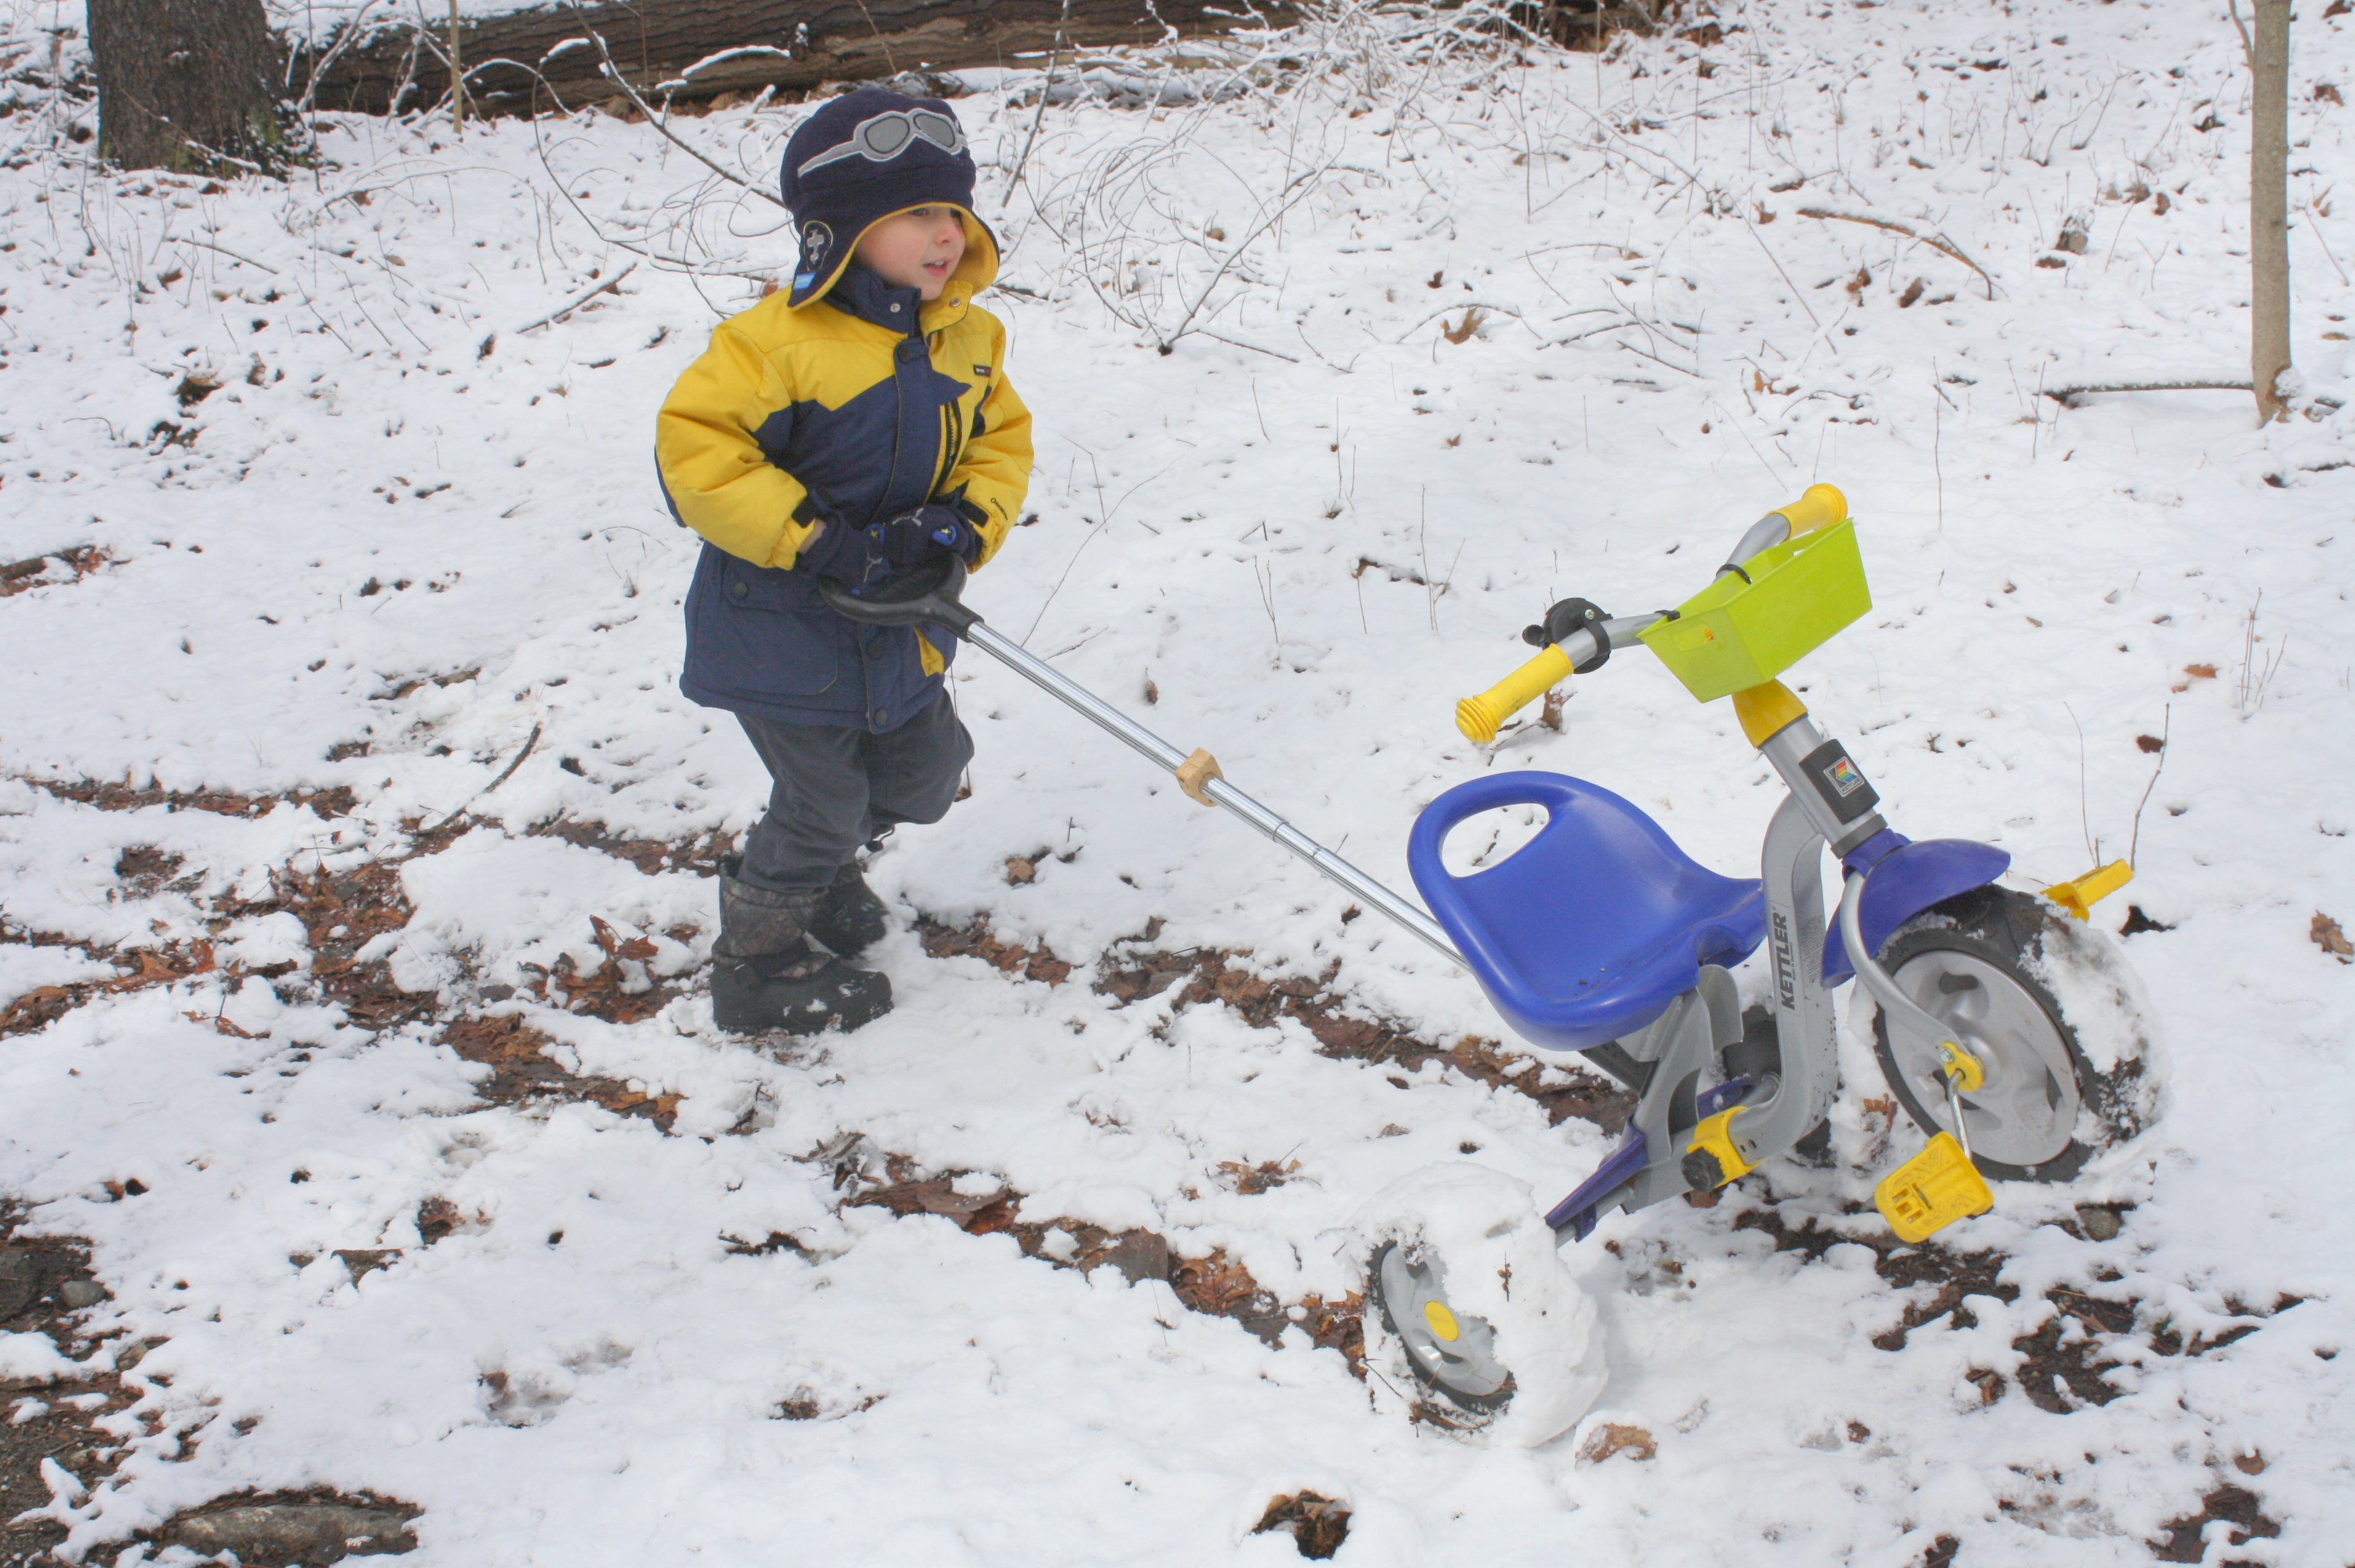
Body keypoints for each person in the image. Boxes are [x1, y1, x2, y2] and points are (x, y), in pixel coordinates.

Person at [655, 87, 1032, 1035]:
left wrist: (959, 528)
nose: (946, 234)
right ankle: (756, 962)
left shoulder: (967, 337)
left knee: (925, 774)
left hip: (900, 616)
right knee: (823, 800)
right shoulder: (773, 345)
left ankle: (813, 871)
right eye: (915, 213)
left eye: (953, 210)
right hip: (782, 627)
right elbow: (696, 453)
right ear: (844, 229)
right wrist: (815, 538)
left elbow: (1000, 443)